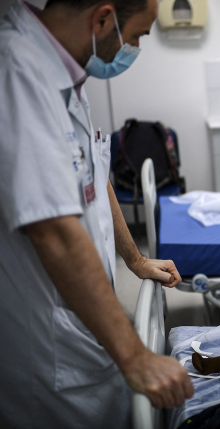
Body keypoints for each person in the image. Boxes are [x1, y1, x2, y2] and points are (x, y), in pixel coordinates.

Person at [0, 1, 193, 427]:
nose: (137, 47)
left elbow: (93, 177)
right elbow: (52, 229)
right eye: (140, 35)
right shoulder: (16, 72)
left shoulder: (66, 73)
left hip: (82, 318)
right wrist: (135, 354)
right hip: (46, 344)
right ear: (103, 19)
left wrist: (135, 259)